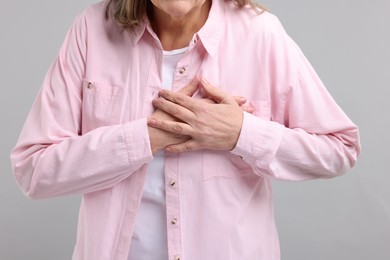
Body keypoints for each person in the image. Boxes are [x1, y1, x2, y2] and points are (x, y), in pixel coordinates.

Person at [10, 0, 361, 259]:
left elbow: (339, 148)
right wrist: (150, 136)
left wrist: (241, 133)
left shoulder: (260, 34)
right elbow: (33, 168)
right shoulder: (91, 30)